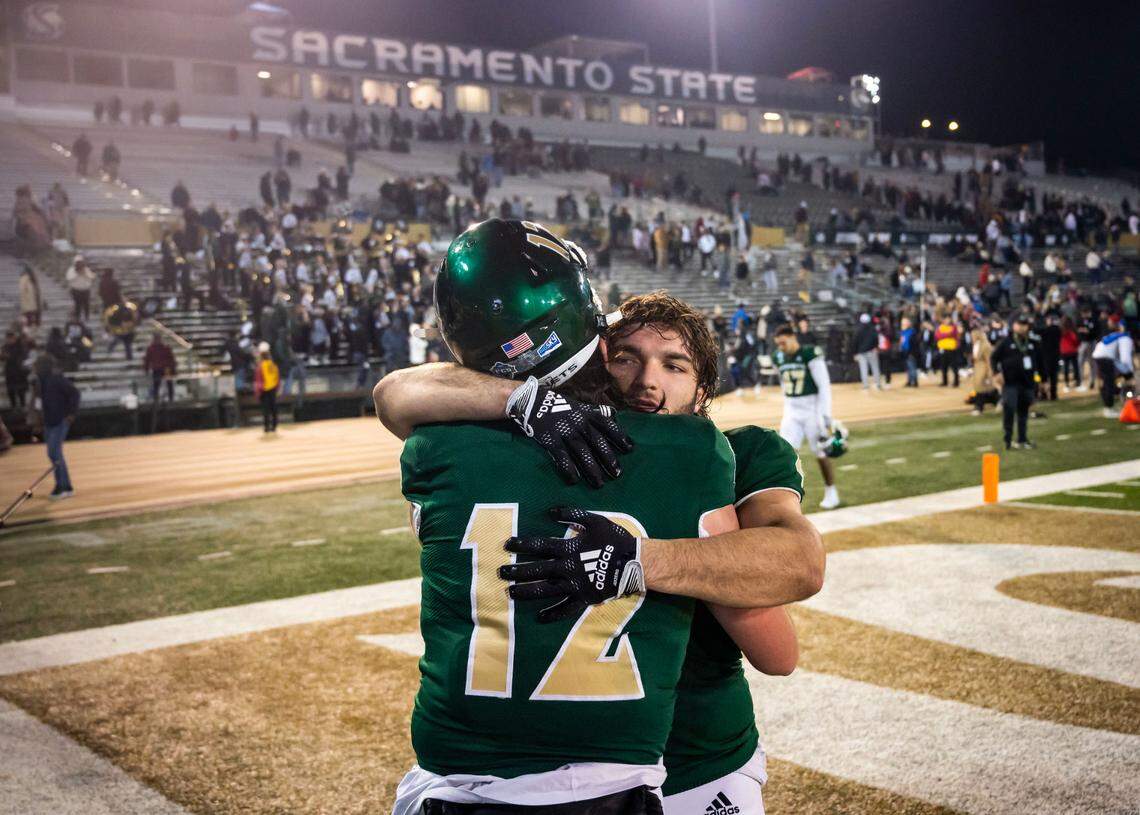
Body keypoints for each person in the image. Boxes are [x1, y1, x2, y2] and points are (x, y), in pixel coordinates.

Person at [377, 221, 818, 815]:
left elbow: (786, 618)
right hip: (613, 766)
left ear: (705, 384)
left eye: (674, 365)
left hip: (697, 754)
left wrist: (637, 559)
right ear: (600, 353)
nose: (647, 381)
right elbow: (396, 392)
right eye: (629, 358)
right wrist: (523, 400)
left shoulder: (733, 450)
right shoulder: (566, 437)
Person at [772, 323, 841, 509]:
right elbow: (783, 384)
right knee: (786, 453)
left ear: (793, 338)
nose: (781, 347)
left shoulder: (810, 353)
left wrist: (825, 416)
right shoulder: (778, 357)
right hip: (792, 409)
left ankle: (831, 490)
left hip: (812, 409)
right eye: (778, 344)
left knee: (820, 452)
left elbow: (824, 386)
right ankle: (788, 497)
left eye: (783, 343)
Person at [990, 314, 1044, 450]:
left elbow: (1040, 362)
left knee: (1023, 412)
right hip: (1010, 383)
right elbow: (993, 357)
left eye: (1024, 324)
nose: (1022, 327)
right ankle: (1007, 440)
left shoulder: (1032, 342)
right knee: (1009, 410)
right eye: (1019, 324)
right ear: (1014, 325)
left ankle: (1022, 439)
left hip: (1027, 382)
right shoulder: (1006, 342)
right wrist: (996, 373)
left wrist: (1044, 379)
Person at [36, 354, 80, 499]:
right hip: (50, 421)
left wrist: (71, 414)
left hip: (60, 420)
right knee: (55, 454)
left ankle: (61, 486)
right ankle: (66, 486)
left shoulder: (56, 379)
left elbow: (75, 393)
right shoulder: (42, 381)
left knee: (54, 453)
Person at [1091, 316, 1135, 418]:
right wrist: (1129, 372)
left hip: (1100, 357)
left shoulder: (1115, 335)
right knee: (1109, 383)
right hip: (1105, 359)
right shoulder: (1125, 338)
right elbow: (1125, 359)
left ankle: (1110, 405)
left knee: (1107, 383)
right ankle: (1109, 408)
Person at [253, 341, 279, 433]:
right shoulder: (273, 365)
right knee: (273, 408)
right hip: (272, 388)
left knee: (266, 410)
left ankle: (266, 427)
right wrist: (276, 387)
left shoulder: (260, 366)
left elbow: (258, 380)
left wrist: (258, 392)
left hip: (264, 390)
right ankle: (274, 425)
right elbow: (277, 377)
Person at [143, 332, 177, 403]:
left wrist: (146, 369)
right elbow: (171, 358)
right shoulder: (164, 347)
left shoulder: (152, 348)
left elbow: (147, 360)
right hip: (164, 368)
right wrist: (173, 368)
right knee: (164, 384)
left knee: (159, 384)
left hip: (160, 368)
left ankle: (160, 399)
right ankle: (169, 398)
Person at [851, 313, 882, 390]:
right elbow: (876, 338)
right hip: (872, 351)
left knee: (863, 369)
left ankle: (865, 385)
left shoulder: (858, 330)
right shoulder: (873, 328)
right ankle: (878, 384)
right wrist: (876, 346)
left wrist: (854, 353)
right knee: (875, 368)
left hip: (861, 353)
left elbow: (855, 342)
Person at [65, 256, 96, 322]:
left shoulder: (86, 269)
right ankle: (77, 318)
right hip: (76, 290)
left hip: (86, 290)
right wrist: (77, 273)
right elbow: (69, 278)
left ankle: (87, 317)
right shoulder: (71, 270)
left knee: (86, 304)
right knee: (77, 305)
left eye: (80, 262)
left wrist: (84, 273)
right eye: (78, 263)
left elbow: (92, 277)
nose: (79, 264)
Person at [934, 314, 961, 387]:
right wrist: (947, 334)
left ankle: (956, 382)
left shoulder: (953, 327)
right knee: (943, 366)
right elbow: (937, 336)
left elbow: (953, 334)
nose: (947, 321)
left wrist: (944, 335)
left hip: (951, 349)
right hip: (943, 349)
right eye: (945, 319)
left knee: (954, 366)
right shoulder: (940, 327)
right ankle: (944, 381)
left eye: (948, 319)